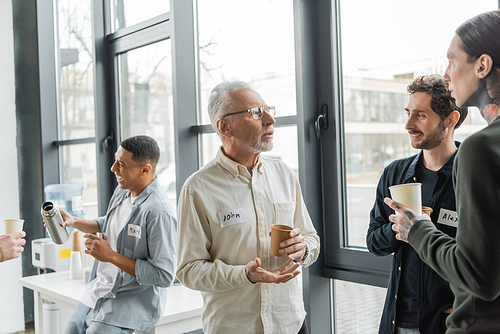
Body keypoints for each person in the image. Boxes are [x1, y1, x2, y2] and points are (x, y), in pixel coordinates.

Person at [385, 11, 500, 333]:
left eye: (452, 61)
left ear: (482, 65)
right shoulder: (397, 172)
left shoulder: (480, 149)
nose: (447, 75)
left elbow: (480, 278)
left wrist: (416, 229)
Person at [176, 81, 320, 334]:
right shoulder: (197, 188)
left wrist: (303, 248)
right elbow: (189, 271)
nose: (270, 120)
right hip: (233, 327)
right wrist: (244, 274)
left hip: (290, 324)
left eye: (267, 109)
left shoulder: (285, 174)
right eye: (255, 112)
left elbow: (311, 239)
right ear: (224, 126)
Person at [367, 75, 467, 334]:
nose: (408, 124)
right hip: (397, 322)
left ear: (451, 119)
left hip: (447, 325)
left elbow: (485, 257)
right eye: (408, 113)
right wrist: (399, 227)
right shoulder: (394, 173)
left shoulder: (472, 175)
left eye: (420, 115)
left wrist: (471, 306)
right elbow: (373, 243)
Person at [62, 135, 177, 334]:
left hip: (130, 299)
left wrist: (111, 256)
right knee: (70, 329)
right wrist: (75, 222)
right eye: (115, 160)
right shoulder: (123, 191)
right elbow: (112, 223)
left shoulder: (158, 212)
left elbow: (164, 275)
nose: (113, 168)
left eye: (121, 164)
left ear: (145, 170)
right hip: (100, 289)